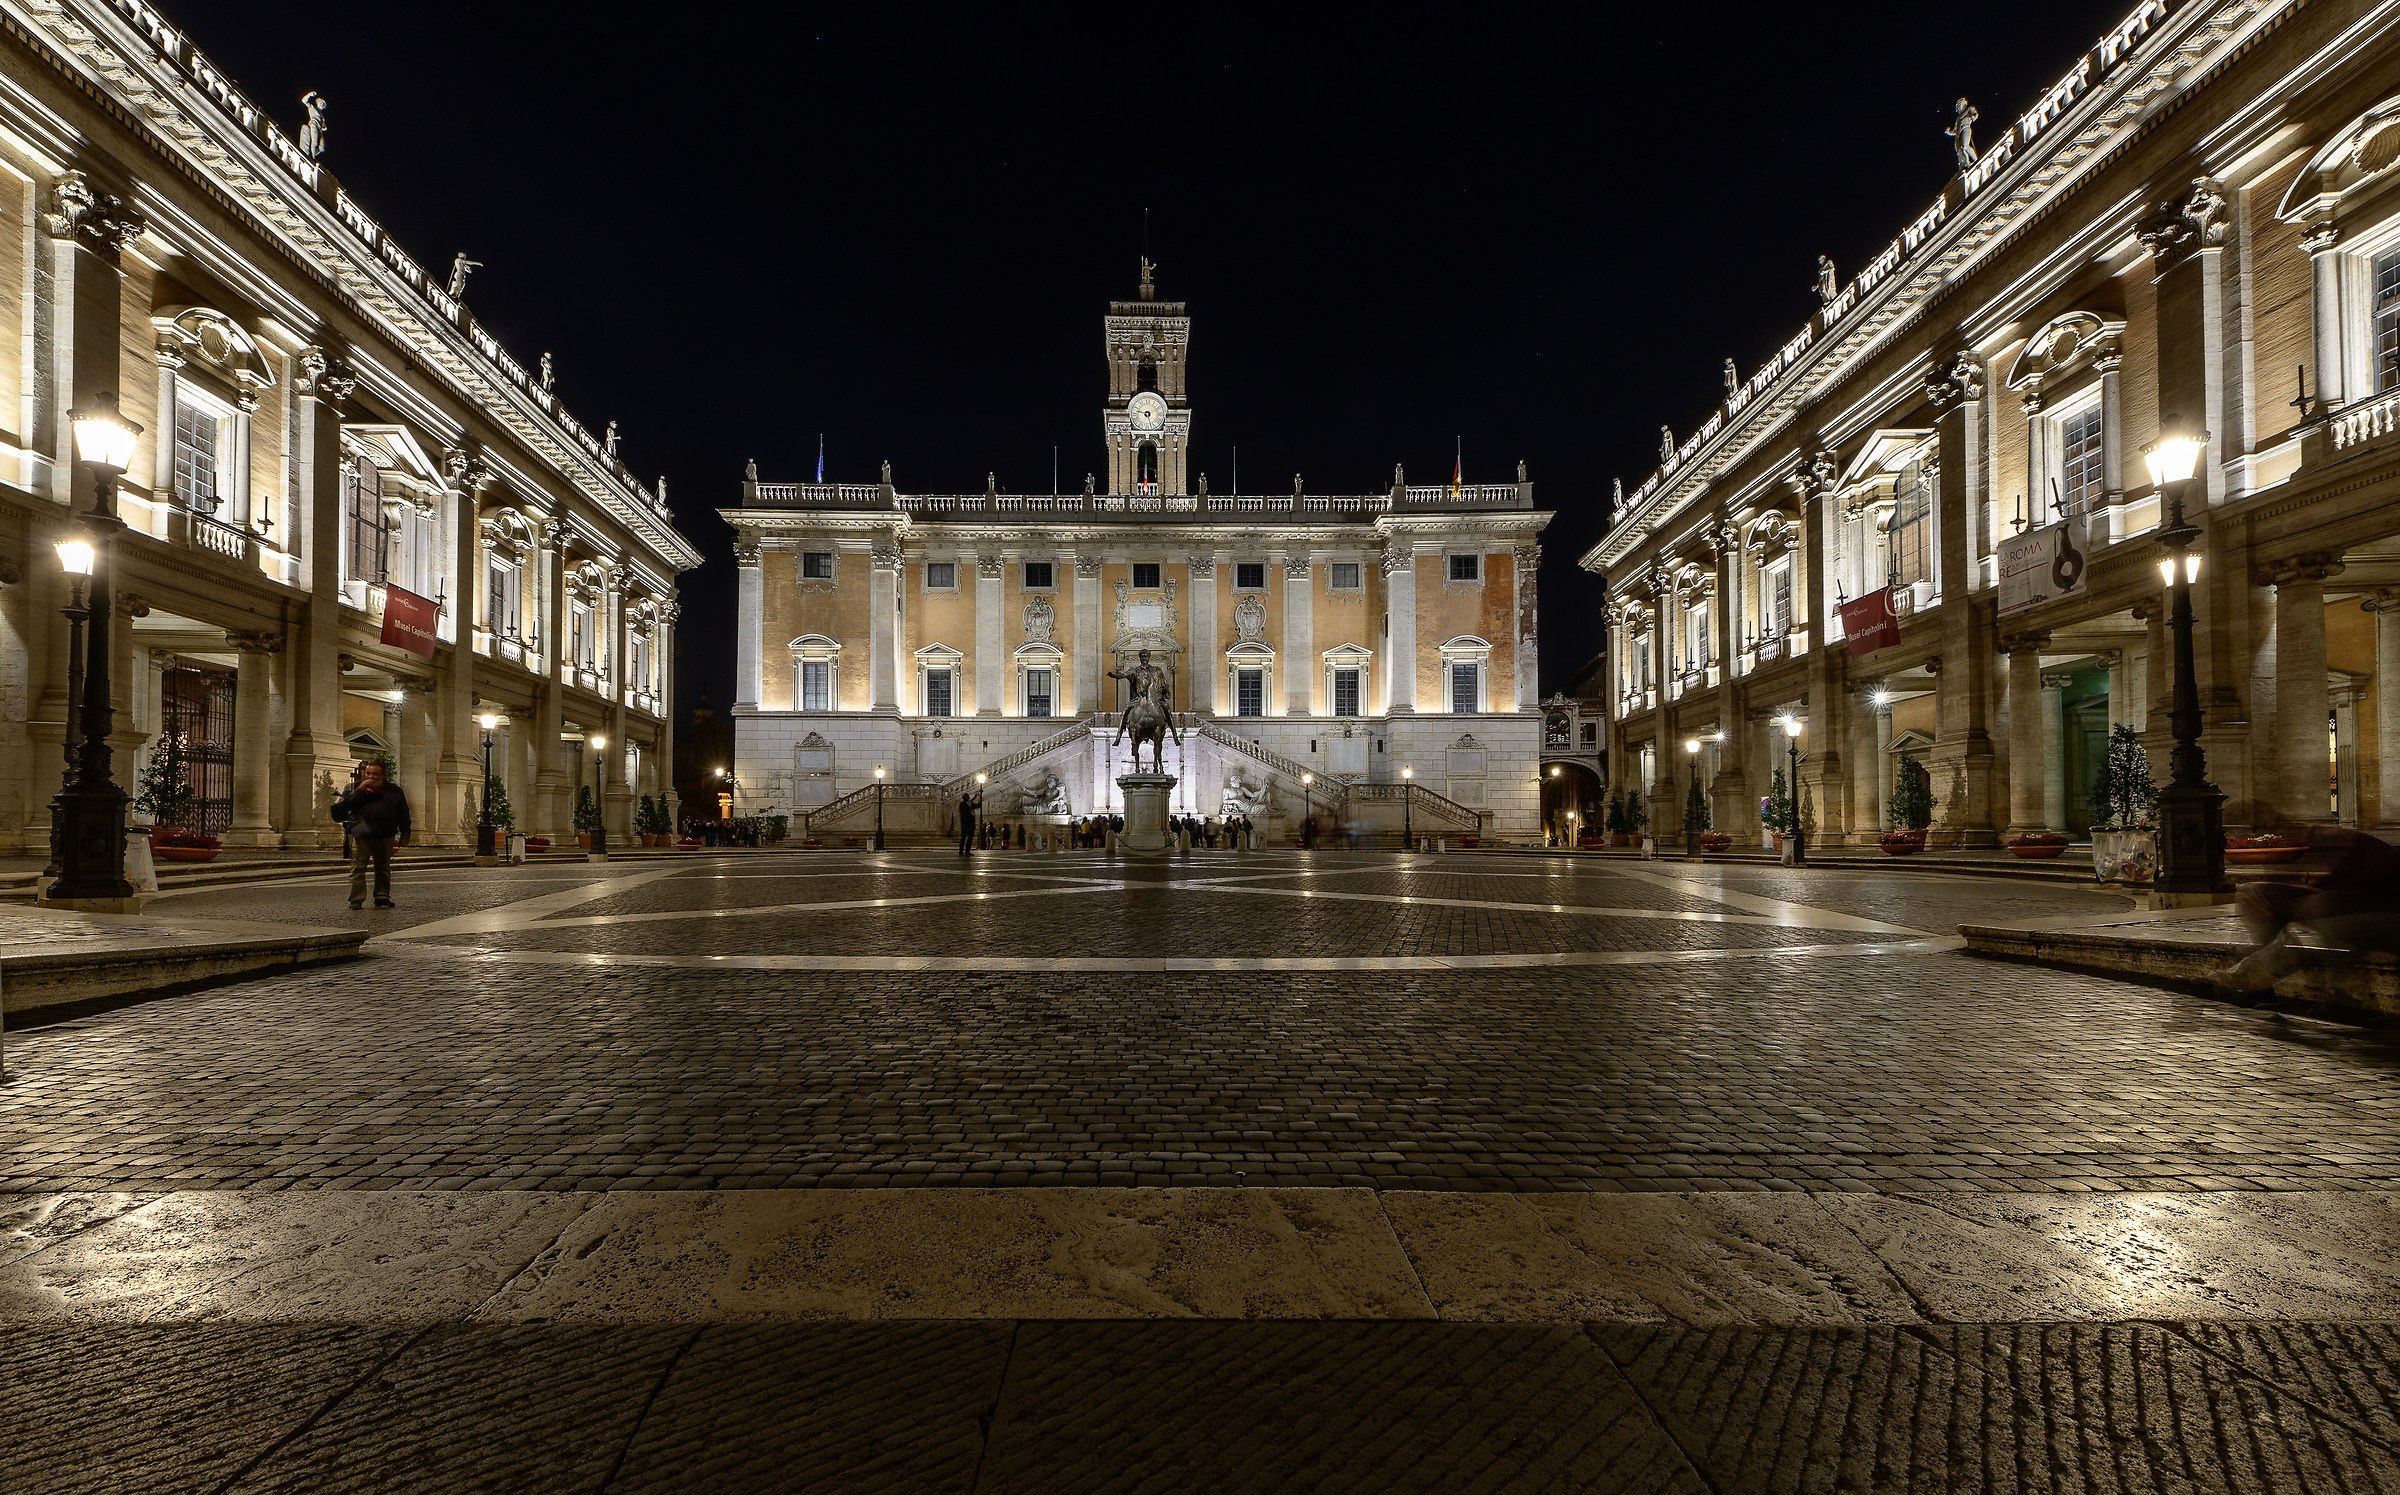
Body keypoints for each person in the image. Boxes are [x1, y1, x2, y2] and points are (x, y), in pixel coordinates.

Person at [2205, 827, 2400, 1000]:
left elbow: (2359, 894)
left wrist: (2299, 902)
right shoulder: (2336, 854)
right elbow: (2328, 887)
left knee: (2317, 918)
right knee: (2254, 892)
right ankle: (2259, 983)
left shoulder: (2368, 852)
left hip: (2384, 914)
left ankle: (2346, 996)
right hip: (2345, 905)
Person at [332, 759, 411, 909]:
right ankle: (356, 899)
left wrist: (405, 835)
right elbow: (343, 808)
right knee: (358, 867)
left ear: (383, 775)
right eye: (368, 773)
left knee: (383, 867)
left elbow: (403, 813)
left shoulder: (394, 791)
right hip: (360, 834)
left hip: (385, 833)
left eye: (375, 774)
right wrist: (361, 790)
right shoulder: (354, 787)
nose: (371, 777)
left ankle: (382, 897)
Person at [958, 789, 982, 857]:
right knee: (969, 838)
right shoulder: (968, 804)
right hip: (970, 823)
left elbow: (969, 803)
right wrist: (980, 797)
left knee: (963, 838)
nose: (969, 797)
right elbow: (978, 805)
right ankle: (967, 851)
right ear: (967, 798)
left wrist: (975, 797)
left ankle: (961, 851)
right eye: (968, 796)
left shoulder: (962, 804)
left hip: (964, 823)